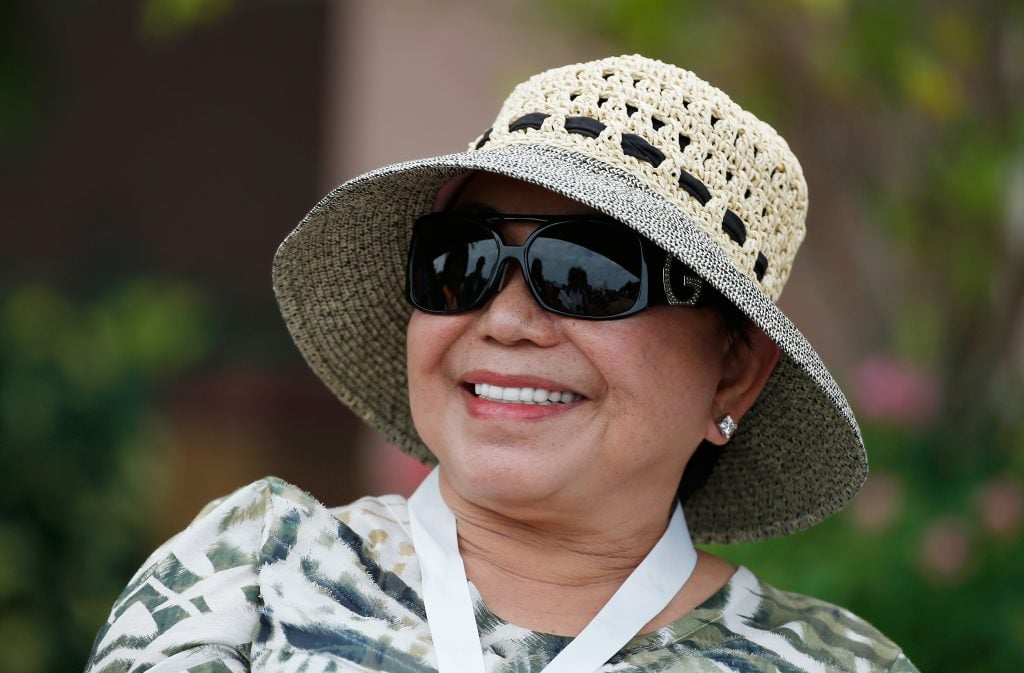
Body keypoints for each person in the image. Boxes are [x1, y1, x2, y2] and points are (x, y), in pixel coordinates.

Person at [84, 55, 919, 672]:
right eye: (462, 258)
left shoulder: (831, 663)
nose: (508, 318)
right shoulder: (256, 572)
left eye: (589, 273)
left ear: (735, 369)